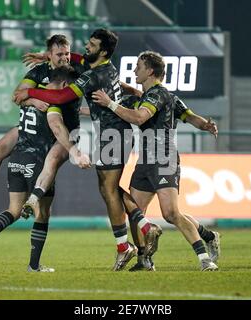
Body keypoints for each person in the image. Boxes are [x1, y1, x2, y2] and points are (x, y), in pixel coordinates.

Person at [14, 29, 162, 271]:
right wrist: (47, 56)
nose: (86, 47)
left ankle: (135, 237)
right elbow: (76, 59)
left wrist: (29, 92)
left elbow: (61, 96)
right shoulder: (105, 66)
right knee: (107, 188)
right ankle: (135, 237)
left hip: (112, 134)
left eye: (92, 45)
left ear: (102, 51)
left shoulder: (93, 75)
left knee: (110, 189)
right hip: (113, 133)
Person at [92, 51, 219, 271]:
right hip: (145, 162)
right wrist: (204, 124)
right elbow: (189, 116)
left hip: (164, 158)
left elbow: (139, 117)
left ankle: (204, 257)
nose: (134, 71)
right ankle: (144, 259)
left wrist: (111, 103)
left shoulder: (158, 95)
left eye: (138, 67)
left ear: (150, 71)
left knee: (170, 213)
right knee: (135, 213)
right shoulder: (159, 96)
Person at [0, 34, 88, 211]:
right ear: (50, 55)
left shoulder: (77, 70)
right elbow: (17, 95)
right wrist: (33, 101)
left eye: (67, 53)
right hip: (36, 126)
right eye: (59, 54)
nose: (65, 58)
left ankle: (34, 202)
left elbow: (91, 64)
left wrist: (32, 93)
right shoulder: (38, 72)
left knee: (52, 162)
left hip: (62, 127)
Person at [0, 66, 80, 272]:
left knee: (13, 210)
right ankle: (33, 265)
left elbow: (20, 97)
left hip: (16, 159)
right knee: (43, 213)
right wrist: (73, 150)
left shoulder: (30, 98)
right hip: (38, 162)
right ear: (65, 84)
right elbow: (56, 126)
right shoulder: (52, 102)